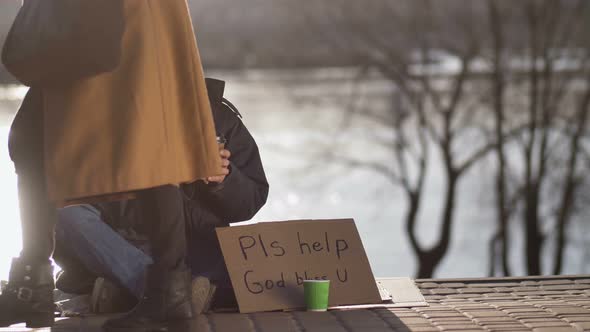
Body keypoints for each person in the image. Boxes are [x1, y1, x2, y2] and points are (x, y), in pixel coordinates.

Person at [0, 1, 222, 331]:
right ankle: (34, 284)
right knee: (34, 139)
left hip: (116, 17)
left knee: (144, 145)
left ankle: (168, 291)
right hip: (122, 18)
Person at [53, 78, 269, 313]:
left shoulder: (218, 116)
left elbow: (250, 203)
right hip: (123, 249)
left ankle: (129, 294)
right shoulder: (99, 113)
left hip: (199, 249)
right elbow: (70, 191)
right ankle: (162, 292)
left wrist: (222, 179)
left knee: (264, 276)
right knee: (67, 213)